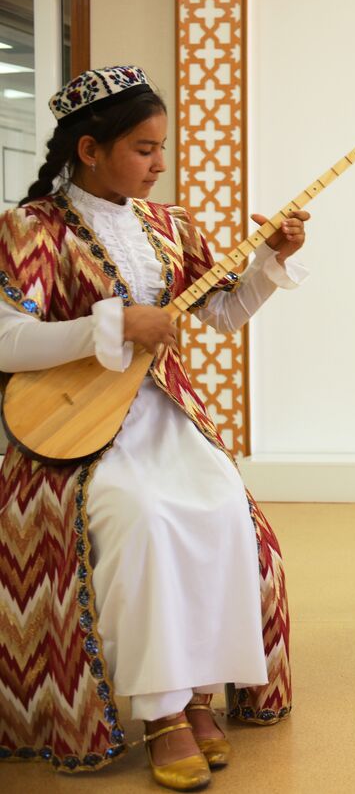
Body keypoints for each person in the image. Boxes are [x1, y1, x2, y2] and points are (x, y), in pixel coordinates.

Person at [0, 67, 305, 787]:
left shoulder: (169, 226)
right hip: (68, 433)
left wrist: (270, 261)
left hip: (165, 413)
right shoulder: (31, 226)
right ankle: (162, 709)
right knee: (143, 518)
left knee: (224, 504)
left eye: (161, 146)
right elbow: (6, 338)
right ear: (90, 148)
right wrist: (111, 322)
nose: (159, 163)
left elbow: (223, 312)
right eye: (143, 148)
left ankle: (199, 689)